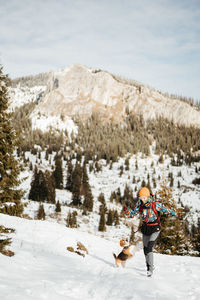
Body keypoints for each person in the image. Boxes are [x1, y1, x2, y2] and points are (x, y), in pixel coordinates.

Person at [123, 187, 177, 277]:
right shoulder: (139, 205)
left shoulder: (155, 204)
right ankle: (148, 266)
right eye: (141, 198)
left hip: (155, 228)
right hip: (146, 228)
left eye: (144, 198)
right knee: (145, 250)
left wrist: (174, 214)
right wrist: (127, 212)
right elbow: (132, 214)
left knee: (149, 248)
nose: (143, 200)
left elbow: (165, 209)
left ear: (148, 196)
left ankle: (150, 270)